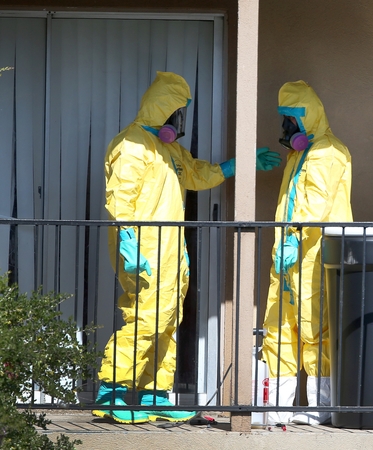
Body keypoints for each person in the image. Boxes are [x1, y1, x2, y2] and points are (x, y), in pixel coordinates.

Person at [94, 71, 281, 424]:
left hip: (171, 249)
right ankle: (111, 390)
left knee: (167, 319)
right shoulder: (131, 144)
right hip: (144, 249)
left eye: (181, 113)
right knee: (146, 318)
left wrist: (237, 165)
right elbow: (121, 196)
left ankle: (154, 394)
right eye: (175, 112)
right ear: (160, 109)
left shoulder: (171, 150)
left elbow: (196, 175)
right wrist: (128, 240)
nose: (178, 121)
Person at [261, 81, 353, 426]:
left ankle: (320, 407)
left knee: (317, 327)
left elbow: (315, 202)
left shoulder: (329, 151)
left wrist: (295, 239)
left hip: (315, 254)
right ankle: (276, 407)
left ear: (308, 118)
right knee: (280, 327)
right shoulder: (299, 155)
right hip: (289, 256)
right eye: (284, 120)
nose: (287, 129)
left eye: (292, 120)